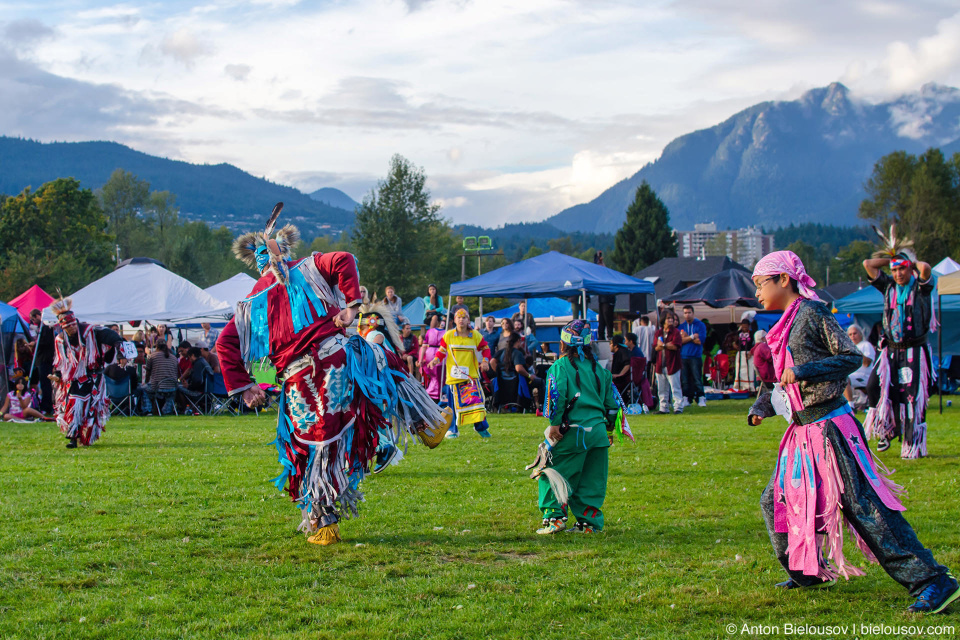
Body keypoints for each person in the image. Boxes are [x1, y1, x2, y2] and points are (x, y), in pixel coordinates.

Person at [217, 206, 448, 546]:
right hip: (336, 361)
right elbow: (345, 259)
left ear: (259, 262)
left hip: (299, 385)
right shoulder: (309, 267)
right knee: (379, 356)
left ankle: (324, 523)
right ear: (284, 250)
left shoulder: (252, 302)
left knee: (311, 451)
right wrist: (352, 305)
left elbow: (224, 344)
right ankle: (426, 422)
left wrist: (245, 386)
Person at [748, 250, 958, 614]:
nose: (757, 293)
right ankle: (806, 570)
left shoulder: (812, 313)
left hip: (831, 427)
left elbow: (849, 357)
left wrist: (806, 371)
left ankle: (933, 581)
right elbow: (777, 381)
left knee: (864, 506)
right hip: (802, 432)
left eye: (760, 283)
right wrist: (760, 408)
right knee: (775, 501)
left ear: (784, 279)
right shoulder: (784, 324)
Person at [532, 319, 624, 534]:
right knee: (591, 479)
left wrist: (554, 425)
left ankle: (554, 518)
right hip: (598, 434)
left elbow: (556, 397)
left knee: (550, 471)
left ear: (563, 344)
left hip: (572, 431)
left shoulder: (560, 367)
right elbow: (613, 406)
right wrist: (609, 430)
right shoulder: (599, 370)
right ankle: (588, 524)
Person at [863, 236, 935, 458]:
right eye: (894, 271)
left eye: (901, 270)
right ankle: (885, 430)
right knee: (875, 385)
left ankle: (911, 444)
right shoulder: (888, 287)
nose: (897, 274)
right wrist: (892, 259)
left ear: (909, 270)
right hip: (890, 351)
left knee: (911, 398)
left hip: (915, 351)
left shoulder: (921, 289)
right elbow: (868, 264)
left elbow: (926, 268)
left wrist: (908, 262)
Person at [48, 297, 123, 448]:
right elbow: (61, 362)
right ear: (63, 327)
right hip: (75, 379)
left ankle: (87, 436)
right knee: (75, 404)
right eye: (68, 327)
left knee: (91, 408)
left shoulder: (91, 331)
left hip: (94, 376)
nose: (72, 328)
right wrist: (56, 375)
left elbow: (114, 337)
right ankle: (73, 438)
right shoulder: (60, 340)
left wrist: (120, 354)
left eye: (73, 325)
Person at [430, 308, 492, 438]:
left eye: (464, 317)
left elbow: (485, 349)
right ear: (455, 320)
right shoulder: (449, 335)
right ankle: (452, 429)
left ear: (468, 320)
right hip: (454, 377)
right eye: (459, 317)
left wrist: (485, 361)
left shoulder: (475, 335)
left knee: (477, 402)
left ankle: (480, 427)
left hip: (471, 376)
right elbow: (442, 351)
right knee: (452, 405)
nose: (461, 320)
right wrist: (435, 360)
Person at [653, 312, 683, 414]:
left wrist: (664, 345)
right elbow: (656, 347)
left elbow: (675, 346)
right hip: (660, 364)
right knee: (662, 388)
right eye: (668, 318)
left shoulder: (676, 332)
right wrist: (665, 345)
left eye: (672, 318)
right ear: (663, 320)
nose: (671, 320)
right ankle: (663, 408)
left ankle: (678, 407)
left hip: (673, 364)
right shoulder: (659, 333)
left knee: (675, 387)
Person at [678, 305, 707, 408]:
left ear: (693, 313)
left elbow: (700, 341)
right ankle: (686, 397)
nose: (687, 315)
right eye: (685, 313)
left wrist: (686, 338)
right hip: (683, 356)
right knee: (685, 379)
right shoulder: (681, 326)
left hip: (695, 356)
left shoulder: (700, 325)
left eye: (689, 312)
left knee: (697, 378)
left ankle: (701, 397)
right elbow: (679, 341)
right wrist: (692, 337)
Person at [844, 325, 875, 409]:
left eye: (855, 333)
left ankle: (851, 406)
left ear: (860, 334)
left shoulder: (866, 345)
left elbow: (867, 363)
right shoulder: (847, 348)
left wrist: (856, 351)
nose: (852, 336)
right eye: (850, 334)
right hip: (853, 375)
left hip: (864, 376)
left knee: (845, 378)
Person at [144, 341, 180, 415]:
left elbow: (148, 372)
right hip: (172, 386)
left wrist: (146, 382)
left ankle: (148, 410)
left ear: (156, 347)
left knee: (144, 390)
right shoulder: (174, 358)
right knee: (170, 395)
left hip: (157, 387)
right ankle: (167, 410)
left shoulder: (152, 356)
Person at [418, 312, 445, 401]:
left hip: (441, 354)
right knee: (433, 375)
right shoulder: (429, 332)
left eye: (434, 320)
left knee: (439, 375)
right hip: (431, 354)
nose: (432, 322)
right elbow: (424, 346)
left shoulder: (446, 332)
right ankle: (433, 393)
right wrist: (421, 359)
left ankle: (437, 393)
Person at [593, 252, 616, 341]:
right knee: (602, 318)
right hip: (602, 297)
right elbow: (596, 266)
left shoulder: (606, 273)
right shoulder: (599, 272)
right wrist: (597, 258)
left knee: (607, 316)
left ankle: (609, 336)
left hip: (608, 297)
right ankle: (601, 336)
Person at [749, 330, 776, 394]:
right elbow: (772, 358)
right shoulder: (762, 346)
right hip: (768, 377)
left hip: (762, 376)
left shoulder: (757, 347)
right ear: (762, 338)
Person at [732, 319, 755, 391]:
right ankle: (739, 387)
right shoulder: (738, 333)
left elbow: (755, 344)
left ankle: (749, 387)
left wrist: (751, 352)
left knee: (749, 370)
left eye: (746, 327)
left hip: (749, 353)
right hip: (740, 354)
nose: (744, 328)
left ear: (749, 326)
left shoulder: (752, 334)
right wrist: (734, 345)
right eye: (743, 326)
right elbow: (734, 342)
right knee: (740, 369)